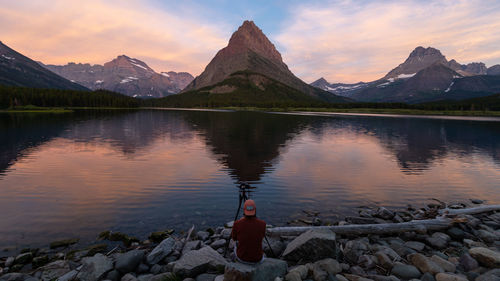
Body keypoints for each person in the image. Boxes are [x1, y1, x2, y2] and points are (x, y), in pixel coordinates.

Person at [231, 199, 266, 263]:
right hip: (258, 259)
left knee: (235, 244)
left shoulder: (237, 224)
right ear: (255, 210)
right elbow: (262, 236)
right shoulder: (263, 224)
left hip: (242, 259)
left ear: (244, 210)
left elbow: (234, 238)